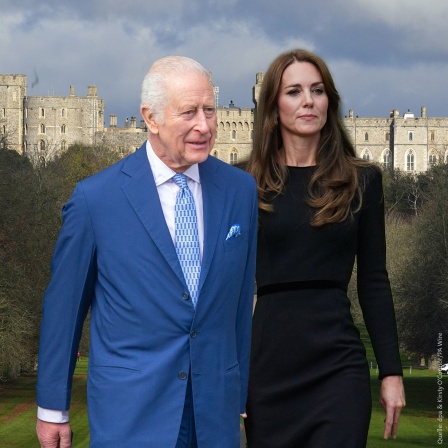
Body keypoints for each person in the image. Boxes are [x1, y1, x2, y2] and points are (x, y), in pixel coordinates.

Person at [36, 56, 258, 448]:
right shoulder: (95, 199)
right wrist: (53, 408)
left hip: (214, 417)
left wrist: (236, 392)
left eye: (210, 110)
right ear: (150, 118)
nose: (204, 126)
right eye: (189, 112)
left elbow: (238, 303)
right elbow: (64, 308)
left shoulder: (240, 191)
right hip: (130, 416)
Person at [244, 49, 406, 447]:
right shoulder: (242, 183)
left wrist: (391, 372)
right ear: (272, 105)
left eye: (317, 90)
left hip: (338, 368)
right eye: (294, 91)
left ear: (329, 101)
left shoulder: (362, 180)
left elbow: (373, 281)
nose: (308, 101)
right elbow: (224, 287)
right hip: (268, 370)